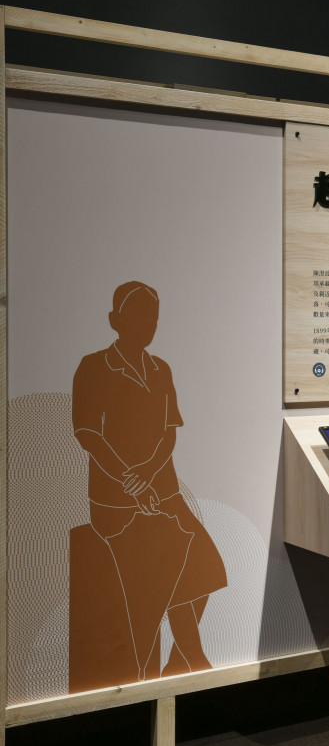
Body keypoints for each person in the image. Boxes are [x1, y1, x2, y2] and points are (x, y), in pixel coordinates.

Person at [72, 282, 227, 686]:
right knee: (171, 557)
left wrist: (149, 474)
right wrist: (132, 481)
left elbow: (169, 433)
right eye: (137, 317)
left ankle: (180, 660)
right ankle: (192, 657)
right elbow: (88, 434)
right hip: (115, 500)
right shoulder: (93, 367)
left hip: (163, 491)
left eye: (152, 319)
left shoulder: (161, 369)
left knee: (208, 565)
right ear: (115, 320)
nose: (147, 326)